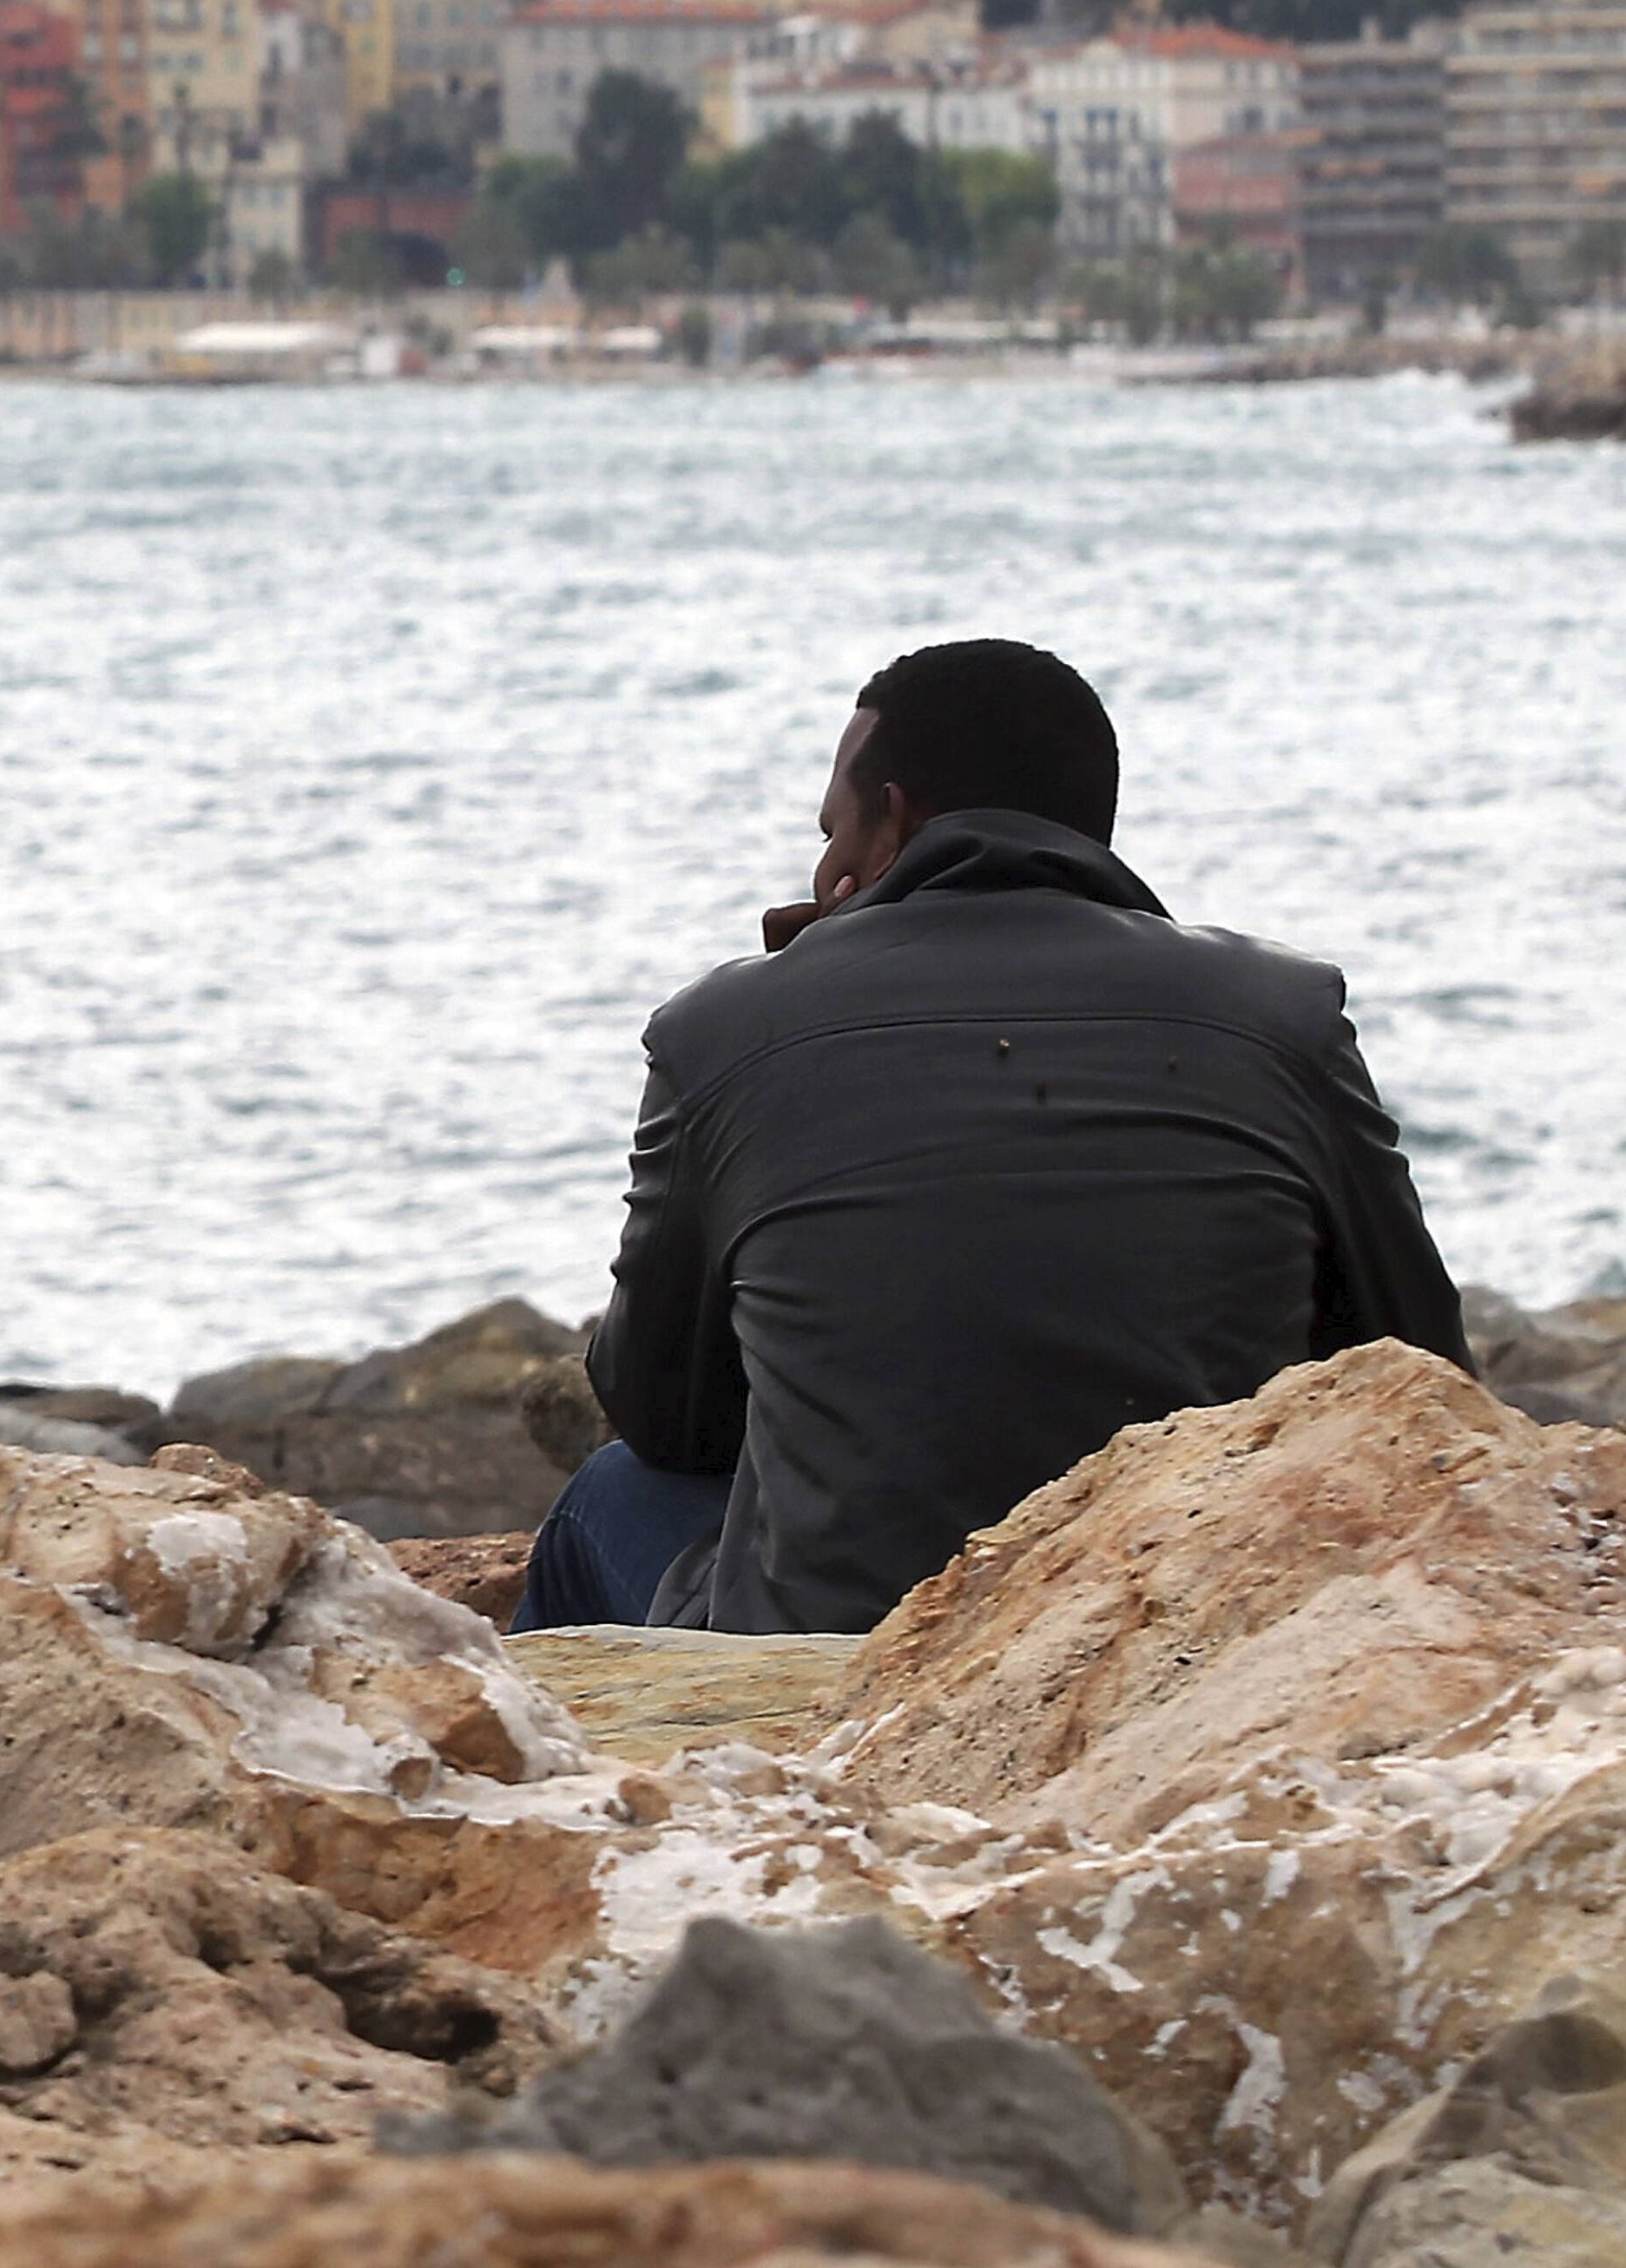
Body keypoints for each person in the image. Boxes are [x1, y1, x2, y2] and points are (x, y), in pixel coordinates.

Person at [513, 639, 1465, 1636]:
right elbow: (1418, 1368)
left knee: (608, 1494)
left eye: (833, 826)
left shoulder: (722, 1029)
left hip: (838, 1653)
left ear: (891, 817)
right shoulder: (1282, 1014)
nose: (825, 856)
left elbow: (667, 1417)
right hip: (1177, 1628)